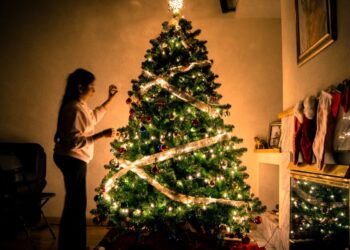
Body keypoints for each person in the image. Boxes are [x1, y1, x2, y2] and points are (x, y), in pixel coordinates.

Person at [53, 68, 118, 250]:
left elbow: (92, 117)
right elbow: (74, 142)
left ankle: (72, 245)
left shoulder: (79, 106)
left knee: (75, 203)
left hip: (73, 159)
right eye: (92, 87)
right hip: (72, 159)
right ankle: (73, 246)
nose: (94, 90)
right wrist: (101, 135)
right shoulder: (73, 109)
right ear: (81, 87)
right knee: (75, 205)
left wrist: (110, 99)